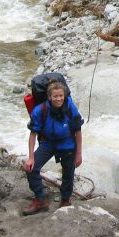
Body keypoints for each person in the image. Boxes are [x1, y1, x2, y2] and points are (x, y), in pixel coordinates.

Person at [22, 80, 83, 215]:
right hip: (48, 143)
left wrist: (78, 153)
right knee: (31, 169)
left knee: (68, 173)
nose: (58, 99)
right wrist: (31, 158)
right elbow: (33, 134)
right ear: (49, 97)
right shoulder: (40, 110)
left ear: (65, 95)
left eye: (61, 96)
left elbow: (78, 130)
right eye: (55, 96)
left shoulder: (70, 107)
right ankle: (40, 199)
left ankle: (65, 200)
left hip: (67, 142)